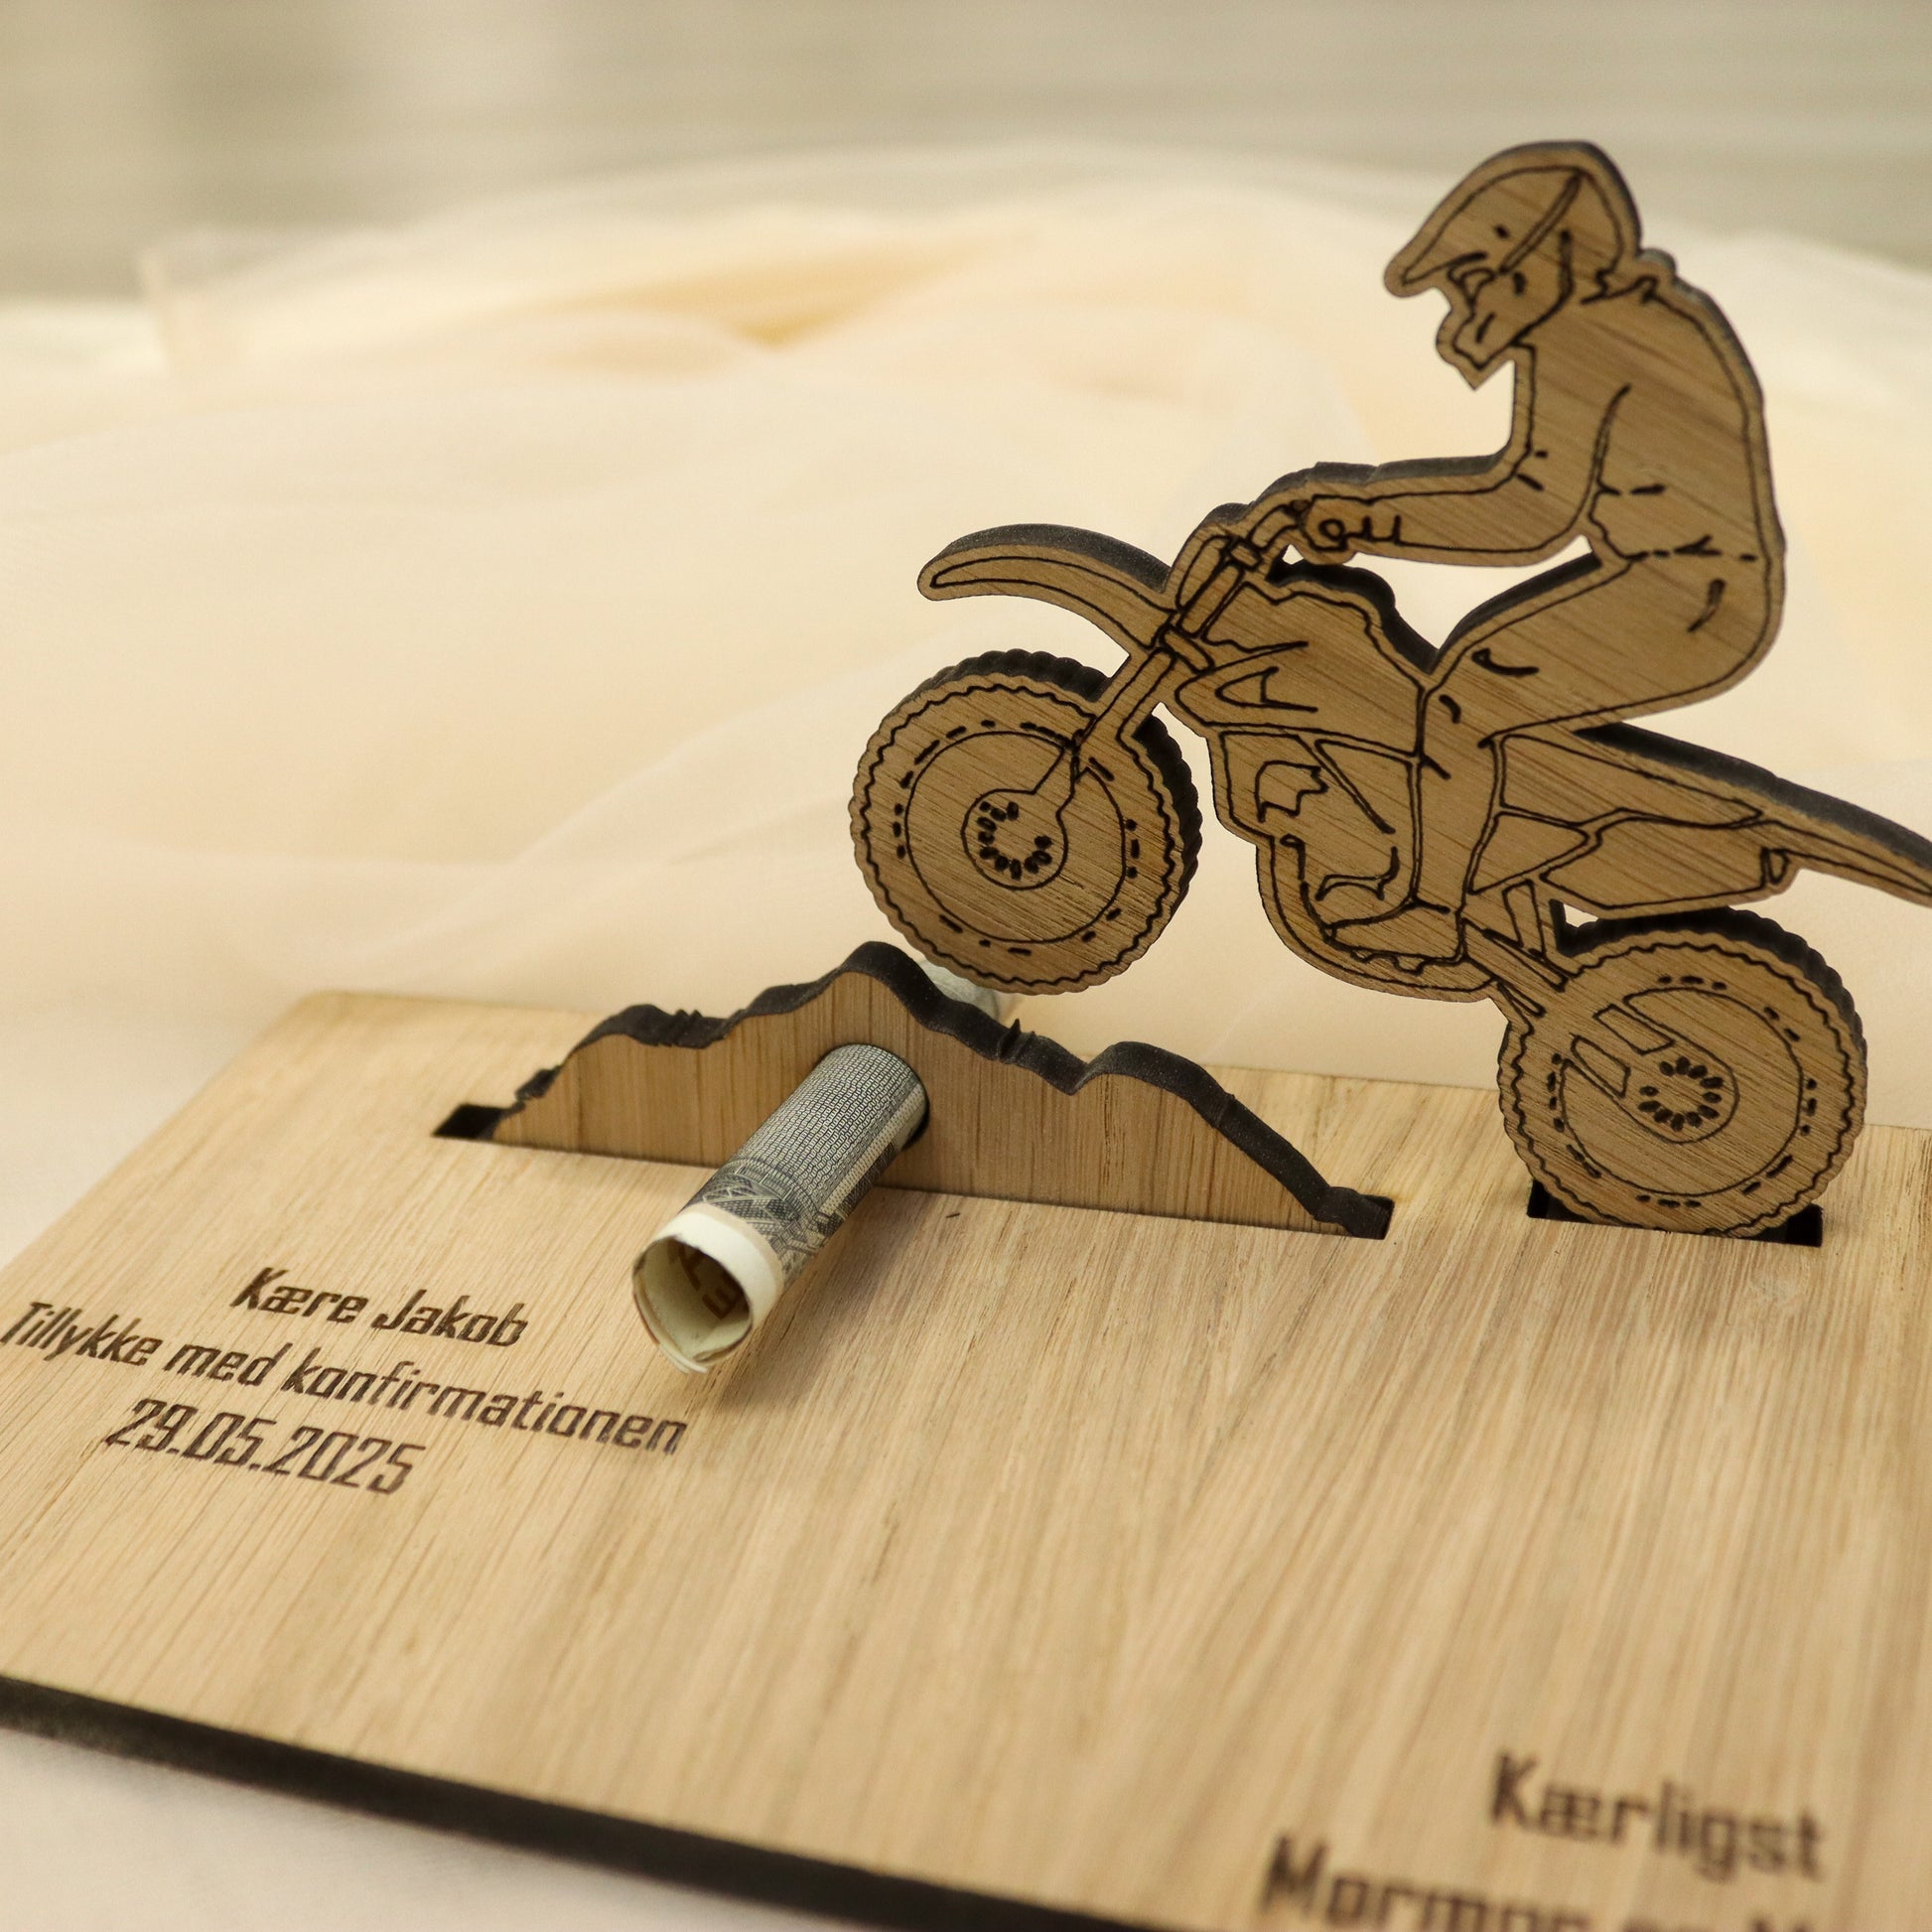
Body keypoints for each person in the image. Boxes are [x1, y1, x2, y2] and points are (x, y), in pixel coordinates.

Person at [1245, 141, 1784, 960]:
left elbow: (1529, 512)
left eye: (1472, 281)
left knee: (1463, 700)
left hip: (1689, 598)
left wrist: (1361, 515)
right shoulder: (1618, 322)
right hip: (1681, 583)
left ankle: (1434, 908)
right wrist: (1362, 511)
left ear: (1543, 260)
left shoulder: (1591, 341)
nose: (1463, 308)